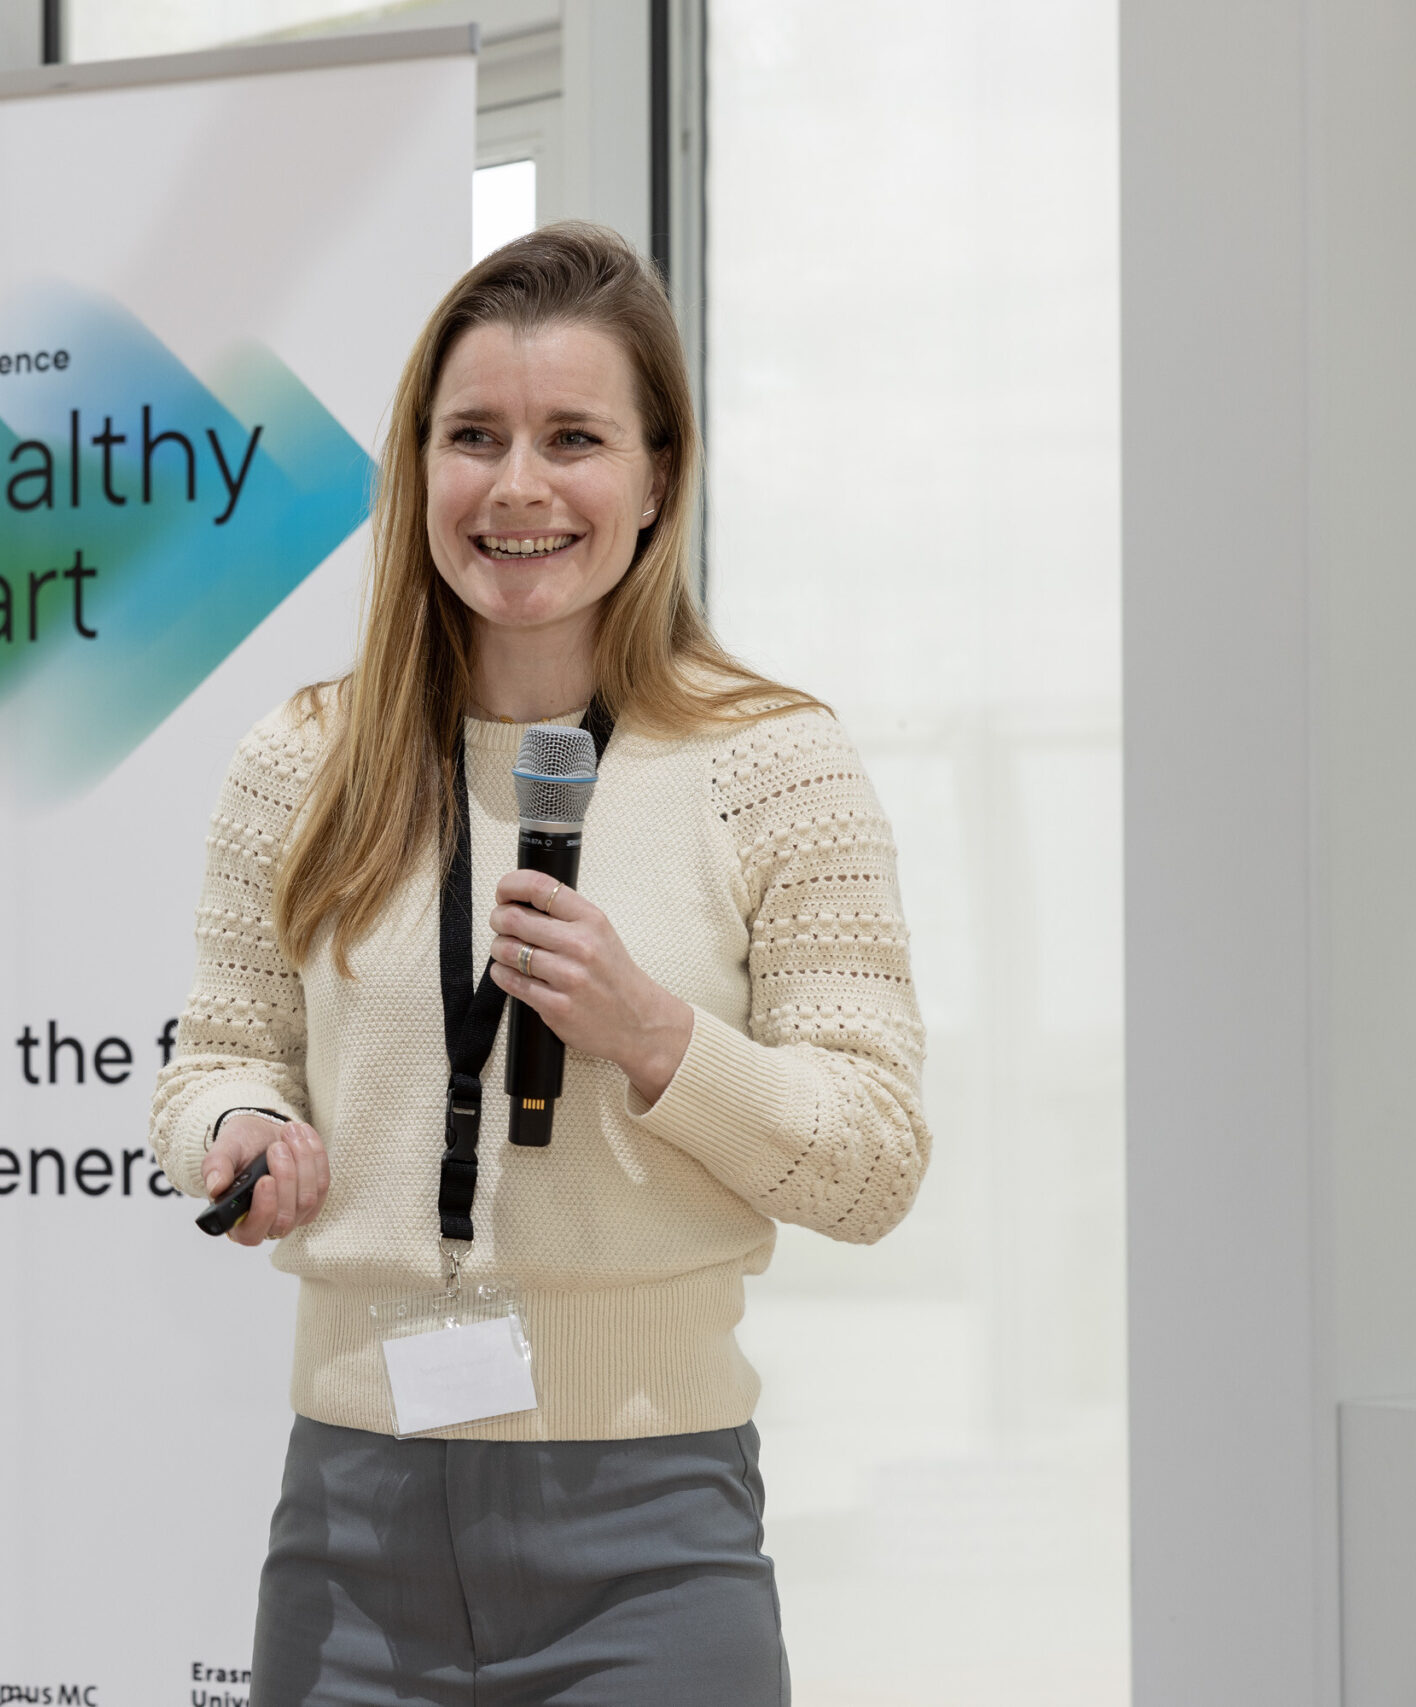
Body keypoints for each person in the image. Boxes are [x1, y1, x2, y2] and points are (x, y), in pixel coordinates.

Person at [149, 222, 929, 1706]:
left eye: (574, 437)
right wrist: (238, 1129)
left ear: (658, 476)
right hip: (349, 1528)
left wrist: (659, 1038)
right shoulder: (303, 758)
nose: (518, 486)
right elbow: (221, 1059)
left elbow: (875, 1165)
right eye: (474, 437)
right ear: (418, 468)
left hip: (652, 1536)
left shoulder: (778, 763)